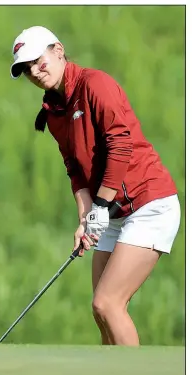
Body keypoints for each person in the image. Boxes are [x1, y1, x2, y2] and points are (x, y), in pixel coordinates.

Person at [10, 26, 181, 346]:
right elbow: (75, 170)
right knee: (102, 314)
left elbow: (120, 147)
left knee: (108, 303)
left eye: (38, 61)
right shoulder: (54, 111)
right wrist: (86, 219)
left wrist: (98, 212)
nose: (34, 71)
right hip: (113, 211)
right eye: (26, 68)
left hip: (149, 204)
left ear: (58, 50)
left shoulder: (95, 85)